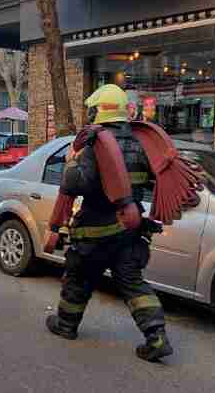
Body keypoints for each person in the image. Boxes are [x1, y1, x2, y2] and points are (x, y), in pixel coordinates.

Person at [45, 84, 173, 362]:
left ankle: (66, 325)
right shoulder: (140, 143)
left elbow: (75, 183)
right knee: (132, 282)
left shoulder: (96, 144)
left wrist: (71, 161)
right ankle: (157, 335)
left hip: (94, 230)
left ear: (99, 110)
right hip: (129, 230)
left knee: (79, 278)